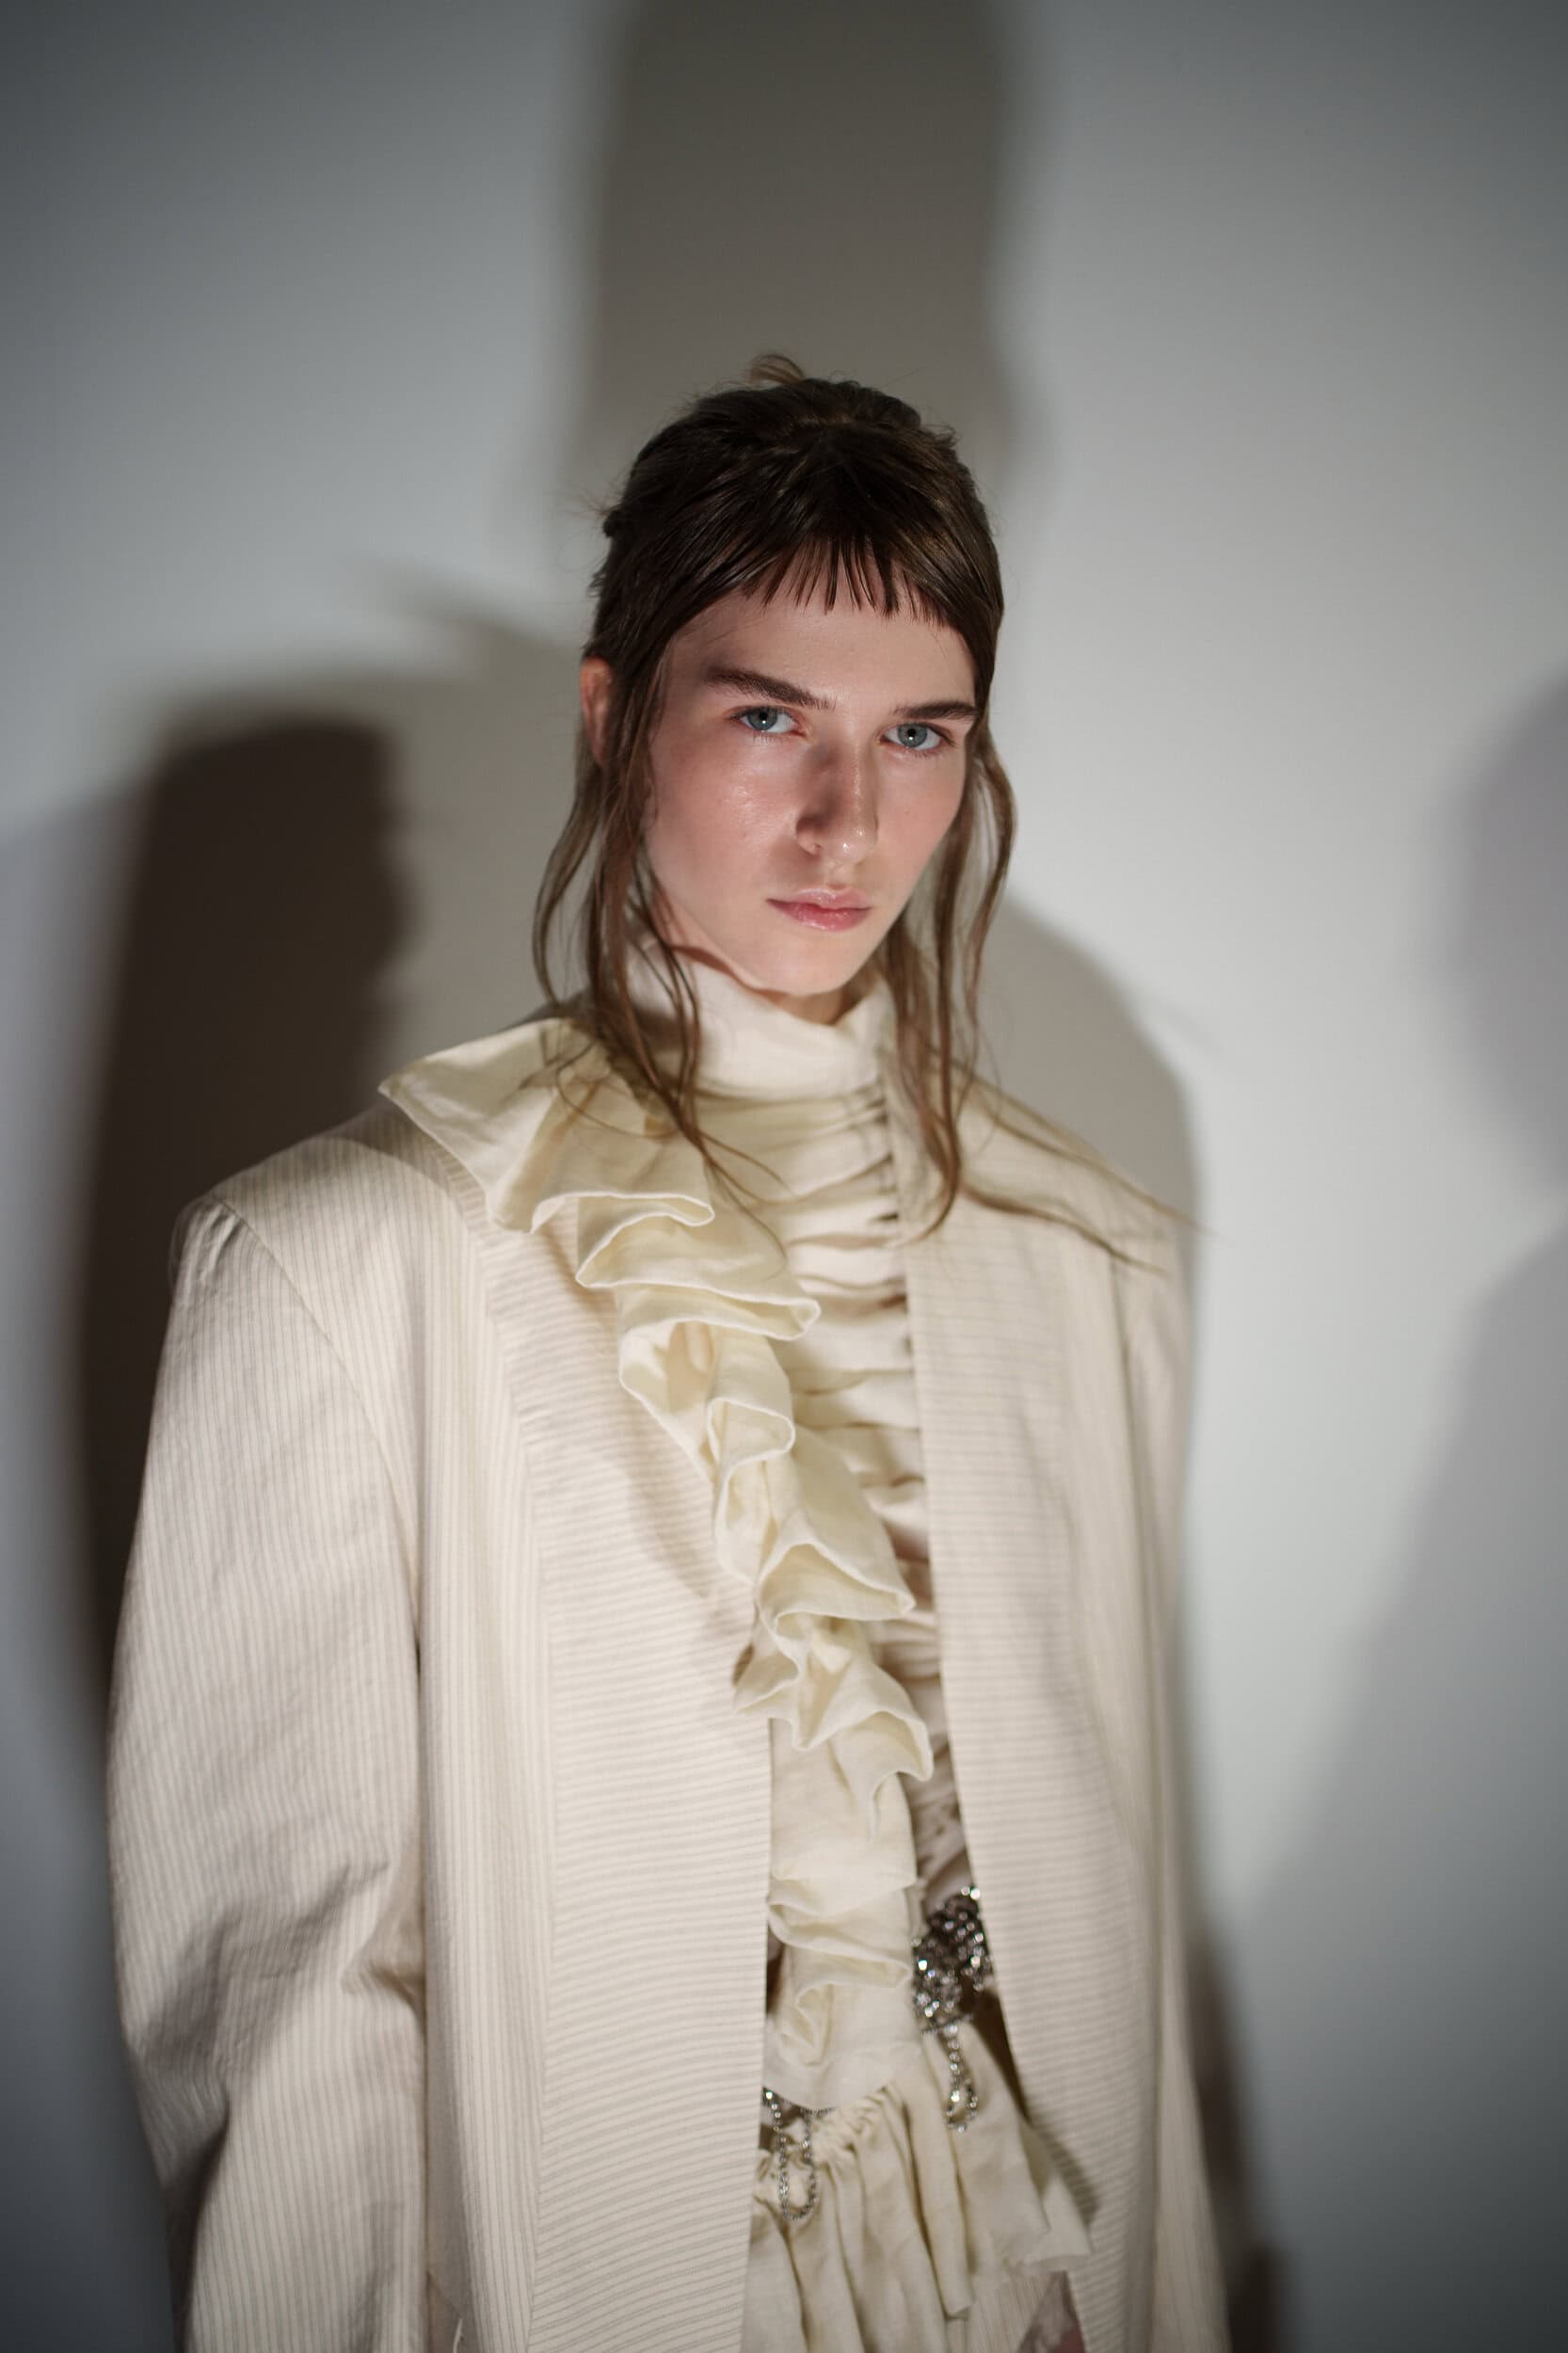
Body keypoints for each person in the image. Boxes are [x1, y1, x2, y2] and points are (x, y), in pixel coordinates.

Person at [105, 357, 1229, 2353]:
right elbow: (287, 2016)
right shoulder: (331, 1262)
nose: (848, 819)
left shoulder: (1088, 1259)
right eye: (768, 715)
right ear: (613, 716)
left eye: (919, 735)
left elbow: (1117, 1943)